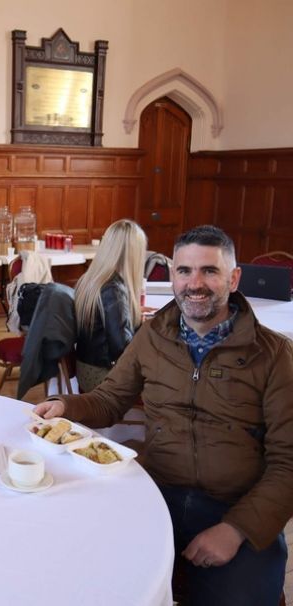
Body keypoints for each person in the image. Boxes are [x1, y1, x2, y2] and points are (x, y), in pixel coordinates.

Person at [34, 225, 293, 606]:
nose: (195, 284)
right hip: (155, 494)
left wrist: (235, 530)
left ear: (234, 278)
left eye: (210, 271)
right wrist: (67, 407)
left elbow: (288, 463)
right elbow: (110, 399)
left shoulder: (274, 355)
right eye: (184, 271)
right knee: (85, 574)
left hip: (236, 507)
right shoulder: (153, 335)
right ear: (172, 275)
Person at [74, 219, 147, 392]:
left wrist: (130, 315)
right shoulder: (113, 288)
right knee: (172, 377)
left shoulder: (92, 278)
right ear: (133, 253)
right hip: (102, 376)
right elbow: (122, 350)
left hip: (86, 368)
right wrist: (145, 330)